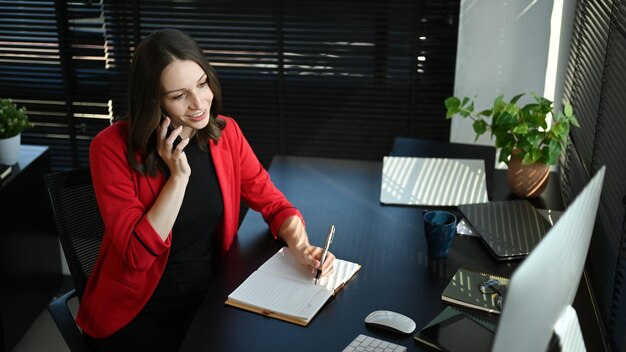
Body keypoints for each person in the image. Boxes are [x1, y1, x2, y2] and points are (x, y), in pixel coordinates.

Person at [78, 28, 335, 351]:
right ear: (154, 99)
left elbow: (274, 204)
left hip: (211, 293)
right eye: (179, 95)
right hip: (139, 308)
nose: (199, 103)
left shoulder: (226, 134)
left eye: (201, 84)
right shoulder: (110, 148)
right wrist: (178, 178)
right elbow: (136, 256)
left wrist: (301, 248)